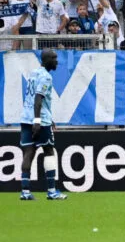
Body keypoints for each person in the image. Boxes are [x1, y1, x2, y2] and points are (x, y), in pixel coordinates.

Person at [19, 49, 64, 201]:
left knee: (28, 153)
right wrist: (38, 121)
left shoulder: (34, 73)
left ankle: (25, 193)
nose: (56, 61)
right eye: (53, 58)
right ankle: (51, 191)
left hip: (26, 118)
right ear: (46, 60)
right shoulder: (46, 77)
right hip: (39, 120)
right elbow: (38, 98)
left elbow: (34, 99)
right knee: (49, 151)